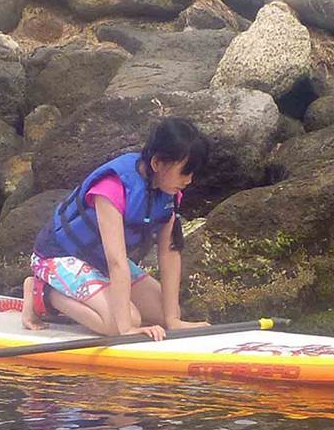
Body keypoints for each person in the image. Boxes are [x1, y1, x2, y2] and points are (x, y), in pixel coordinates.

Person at [23, 117, 208, 340]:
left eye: (192, 173)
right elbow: (116, 261)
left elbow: (169, 253)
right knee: (121, 322)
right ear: (157, 163)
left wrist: (172, 320)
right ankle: (44, 293)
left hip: (98, 261)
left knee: (164, 312)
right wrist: (126, 328)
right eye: (184, 172)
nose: (189, 180)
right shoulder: (112, 187)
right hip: (59, 256)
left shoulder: (169, 192)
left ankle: (114, 307)